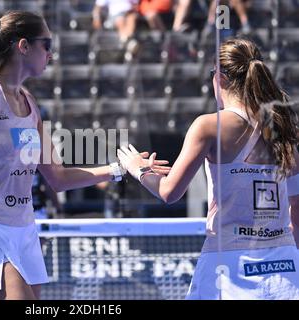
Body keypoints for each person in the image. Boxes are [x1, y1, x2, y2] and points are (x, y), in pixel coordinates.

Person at [0, 11, 169, 300]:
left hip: (24, 230)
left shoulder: (30, 104)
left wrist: (121, 168)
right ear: (23, 46)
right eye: (46, 45)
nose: (51, 54)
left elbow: (58, 178)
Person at [118, 38, 299, 299]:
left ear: (221, 78)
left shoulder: (208, 126)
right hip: (284, 268)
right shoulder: (283, 128)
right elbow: (297, 214)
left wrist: (139, 169)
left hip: (229, 268)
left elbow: (169, 192)